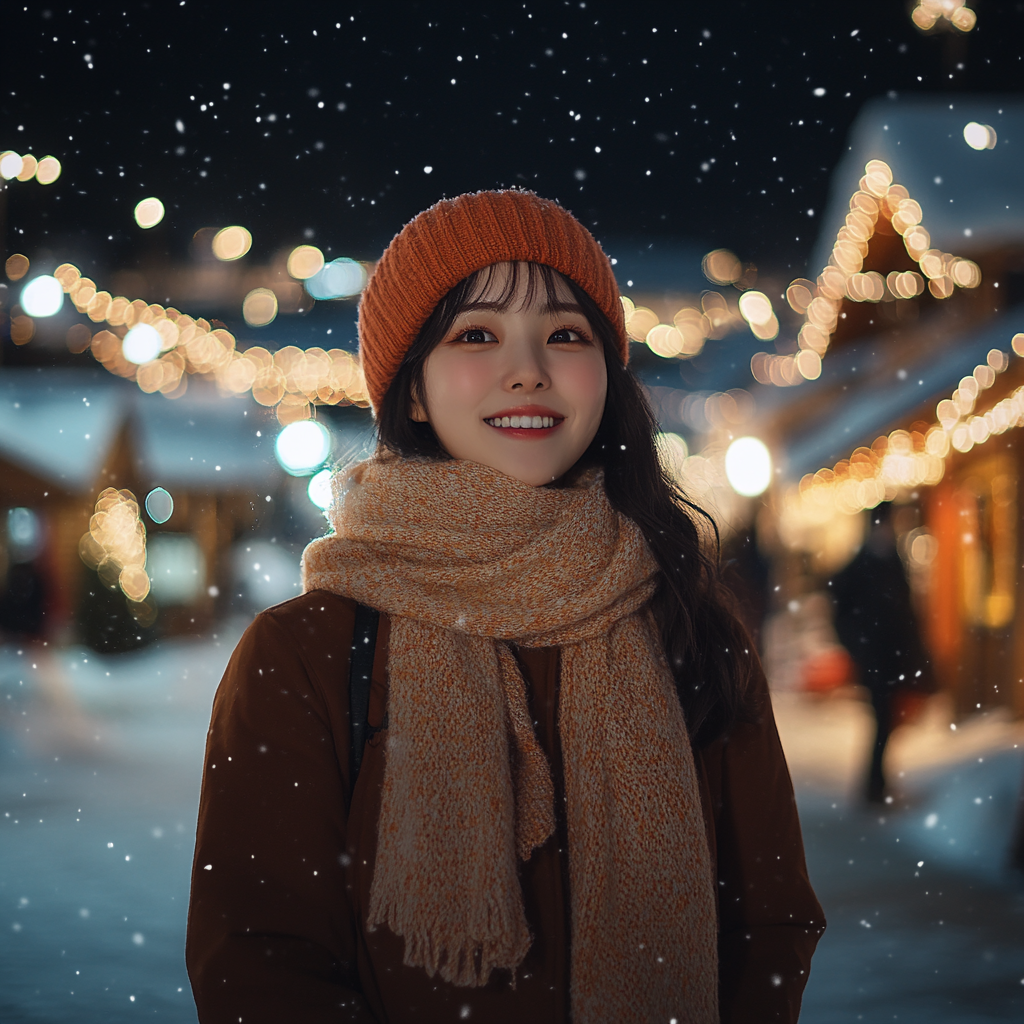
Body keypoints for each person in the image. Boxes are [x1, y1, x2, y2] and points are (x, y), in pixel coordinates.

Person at [186, 190, 825, 1023]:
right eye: (475, 335)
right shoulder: (307, 652)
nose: (528, 369)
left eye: (566, 334)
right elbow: (258, 958)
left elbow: (768, 925)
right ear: (411, 391)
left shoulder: (690, 629)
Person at [830, 503, 933, 804]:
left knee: (886, 720)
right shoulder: (862, 565)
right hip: (876, 658)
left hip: (893, 656)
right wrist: (858, 646)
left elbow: (905, 613)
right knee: (881, 718)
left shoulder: (892, 561)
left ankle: (877, 782)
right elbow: (841, 610)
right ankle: (874, 784)